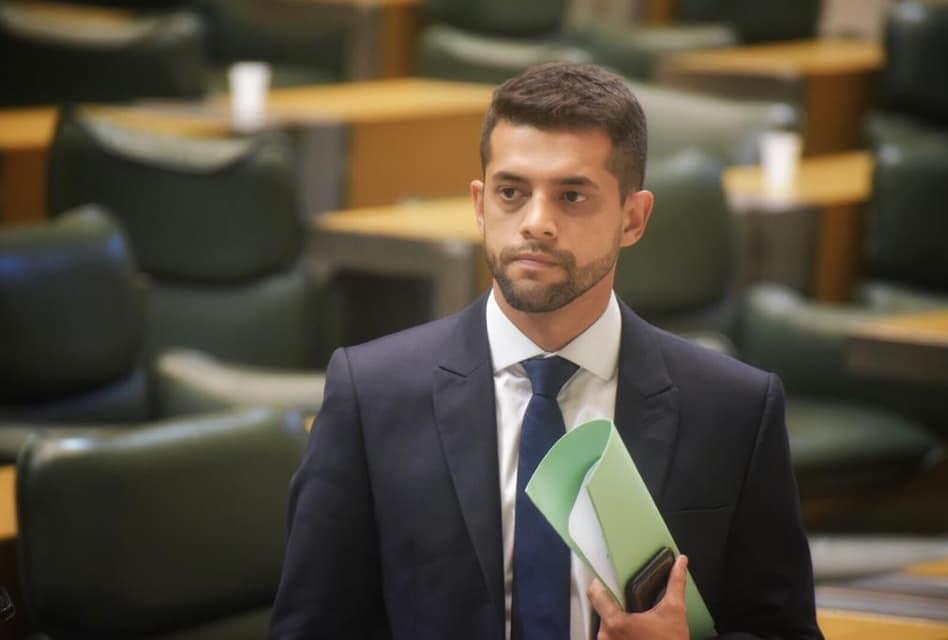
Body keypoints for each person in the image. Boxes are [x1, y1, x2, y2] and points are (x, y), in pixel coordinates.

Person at [270, 62, 822, 640]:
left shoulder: (733, 409)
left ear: (633, 218)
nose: (536, 223)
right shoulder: (372, 394)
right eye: (511, 192)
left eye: (572, 196)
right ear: (480, 204)